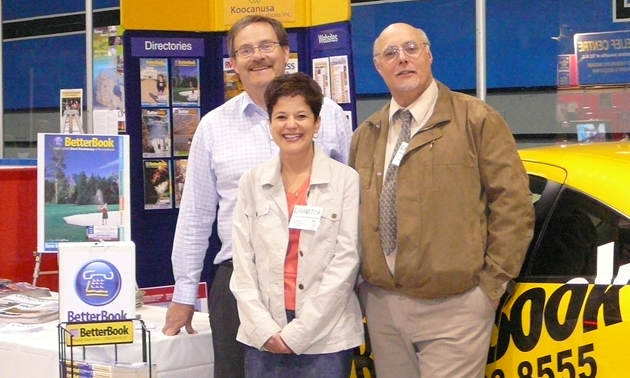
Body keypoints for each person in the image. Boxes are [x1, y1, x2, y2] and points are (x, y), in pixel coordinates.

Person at [161, 15, 353, 378]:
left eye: (266, 46)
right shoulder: (214, 127)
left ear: (285, 52)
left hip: (318, 284)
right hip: (240, 284)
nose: (258, 56)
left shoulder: (330, 117)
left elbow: (352, 204)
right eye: (245, 50)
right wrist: (184, 292)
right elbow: (196, 215)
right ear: (232, 64)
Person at [349, 23, 535, 378]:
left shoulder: (475, 119)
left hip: (456, 306)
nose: (402, 58)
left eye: (411, 48)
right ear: (378, 67)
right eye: (390, 53)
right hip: (384, 307)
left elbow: (513, 205)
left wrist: (491, 286)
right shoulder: (367, 135)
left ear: (429, 55)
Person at [230, 72, 363, 377]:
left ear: (317, 124)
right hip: (263, 335)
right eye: (281, 117)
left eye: (301, 116)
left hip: (326, 337)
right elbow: (242, 265)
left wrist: (299, 334)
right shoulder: (252, 182)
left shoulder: (345, 180)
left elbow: (346, 262)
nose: (291, 125)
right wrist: (265, 328)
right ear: (270, 123)